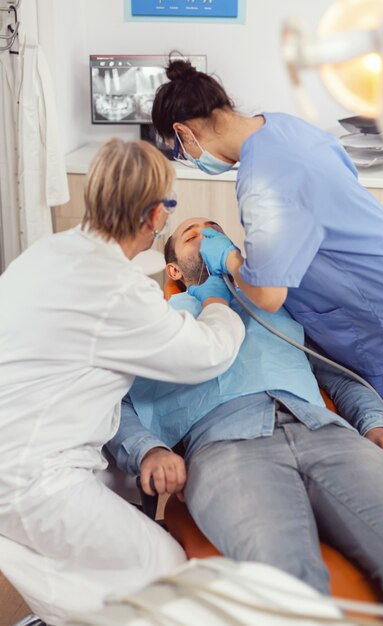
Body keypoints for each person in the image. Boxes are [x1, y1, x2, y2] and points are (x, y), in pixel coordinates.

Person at [109, 216, 383, 606]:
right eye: (191, 235)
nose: (204, 234)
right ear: (173, 270)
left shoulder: (275, 309)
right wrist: (148, 451)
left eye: (213, 231)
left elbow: (340, 377)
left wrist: (376, 425)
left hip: (326, 432)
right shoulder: (160, 319)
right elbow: (113, 400)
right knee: (288, 583)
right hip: (226, 449)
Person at [0, 140, 245, 625]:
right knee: (167, 570)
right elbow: (206, 353)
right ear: (156, 216)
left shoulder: (47, 251)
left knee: (109, 524)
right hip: (32, 476)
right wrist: (217, 299)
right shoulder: (122, 292)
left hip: (20, 451)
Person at [151, 57, 383, 435]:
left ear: (185, 132)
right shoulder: (285, 127)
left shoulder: (262, 179)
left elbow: (269, 297)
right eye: (191, 237)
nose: (188, 157)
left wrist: (228, 256)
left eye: (180, 150)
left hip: (372, 315)